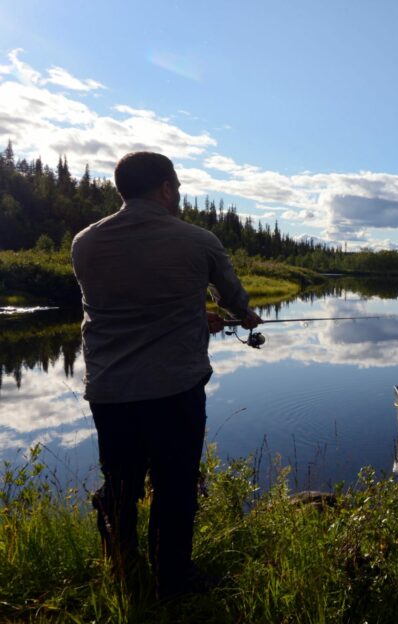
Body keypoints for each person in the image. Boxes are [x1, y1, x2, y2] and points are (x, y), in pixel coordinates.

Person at [71, 151, 261, 598]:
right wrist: (244, 316)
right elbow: (233, 299)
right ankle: (173, 584)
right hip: (174, 389)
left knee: (120, 483)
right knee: (175, 486)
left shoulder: (84, 242)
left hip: (110, 392)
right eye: (175, 186)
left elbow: (132, 303)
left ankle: (122, 570)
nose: (177, 194)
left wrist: (196, 317)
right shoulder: (199, 240)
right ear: (165, 188)